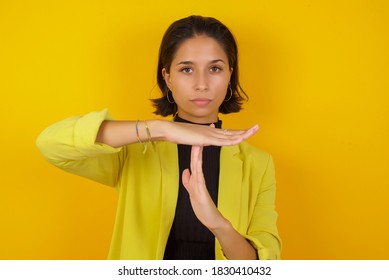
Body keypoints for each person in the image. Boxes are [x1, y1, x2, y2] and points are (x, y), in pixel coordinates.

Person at [36, 15, 281, 260]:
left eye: (215, 68)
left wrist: (219, 224)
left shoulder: (257, 164)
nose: (201, 84)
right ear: (167, 78)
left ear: (230, 75)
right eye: (187, 69)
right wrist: (159, 129)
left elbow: (264, 265)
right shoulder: (135, 150)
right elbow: (51, 144)